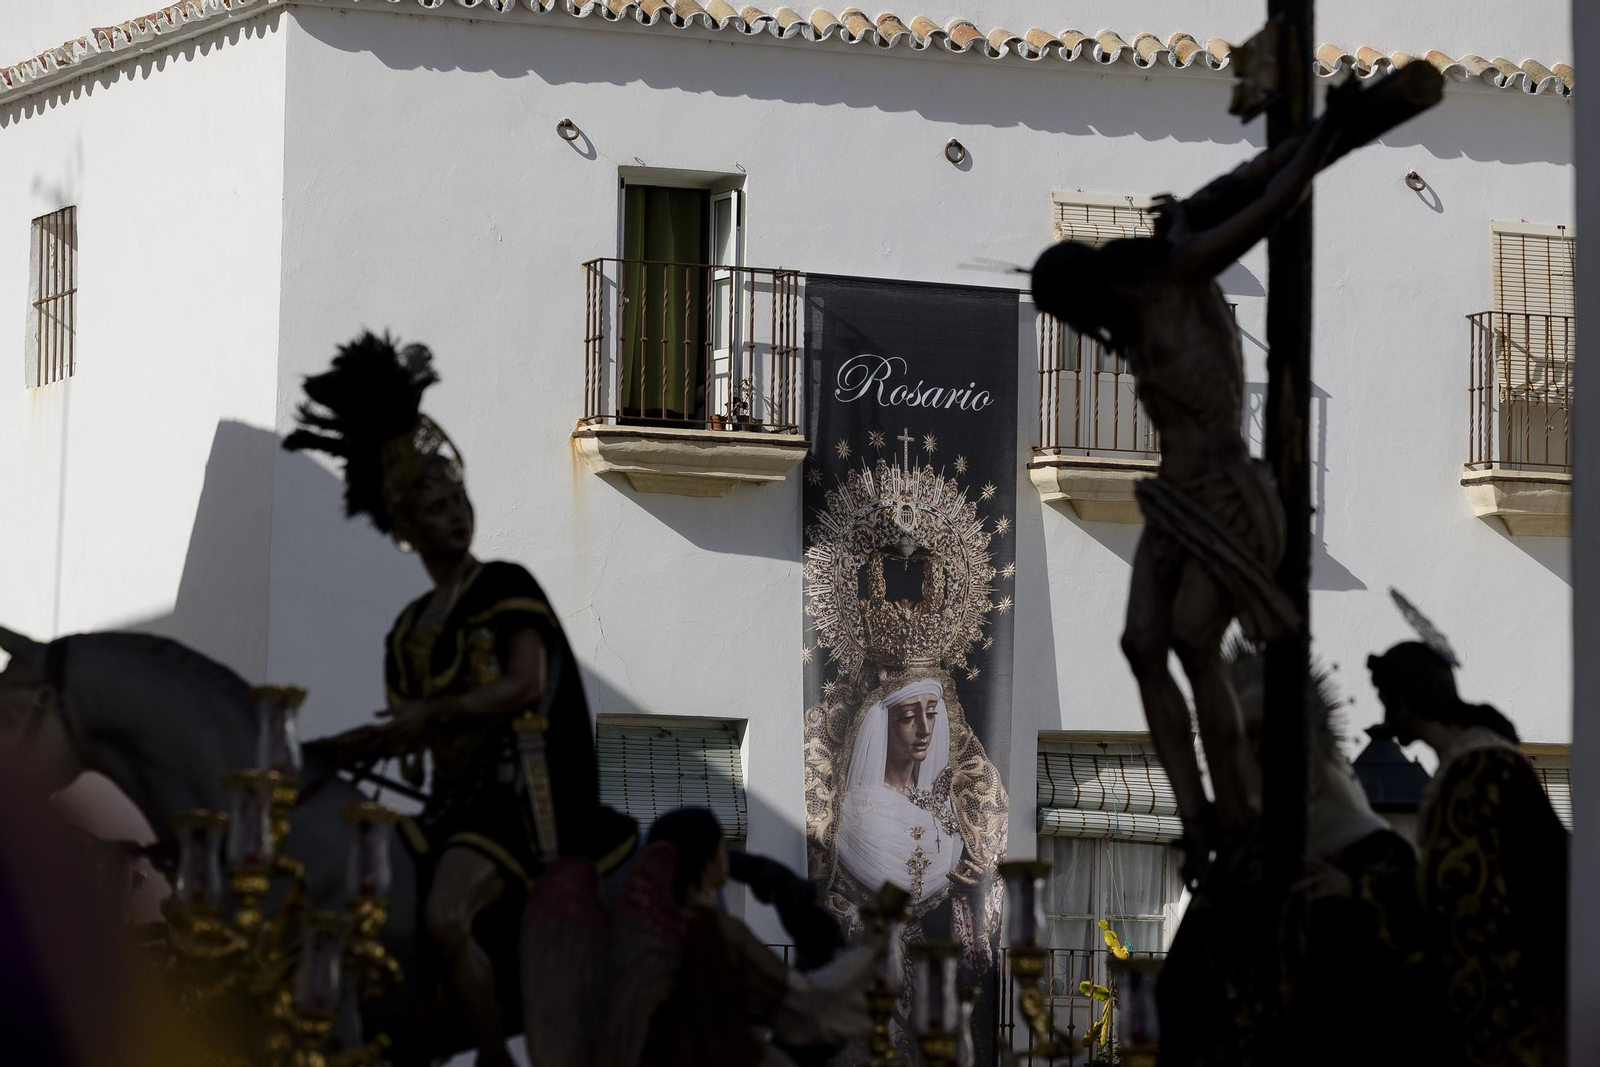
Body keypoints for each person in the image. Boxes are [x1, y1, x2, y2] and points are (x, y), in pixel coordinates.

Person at [286, 332, 635, 1067]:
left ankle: (493, 1058)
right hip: (450, 805)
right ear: (409, 530)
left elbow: (525, 683)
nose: (456, 513)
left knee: (444, 914)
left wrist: (431, 714)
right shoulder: (408, 629)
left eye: (459, 498)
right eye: (438, 506)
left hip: (519, 802)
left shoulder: (504, 584)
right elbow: (403, 734)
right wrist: (329, 749)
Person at [1029, 99, 1351, 881]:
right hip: (1173, 498)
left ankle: (1237, 818)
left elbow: (1264, 211)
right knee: (1142, 645)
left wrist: (1316, 149)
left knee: (1191, 640)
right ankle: (1198, 813)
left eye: (1072, 311)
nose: (1080, 327)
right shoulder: (1137, 313)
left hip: (1226, 493)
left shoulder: (1177, 275)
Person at [1367, 641, 1567, 1067]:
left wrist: (1365, 891)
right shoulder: (1467, 766)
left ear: (1410, 698)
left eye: (1388, 701)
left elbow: (1458, 896)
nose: (1385, 717)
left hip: (1508, 1003)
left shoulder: (1475, 771)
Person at [838, 677, 975, 904]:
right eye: (908, 717)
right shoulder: (852, 810)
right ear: (880, 722)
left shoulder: (945, 801)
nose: (924, 729)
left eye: (931, 714)